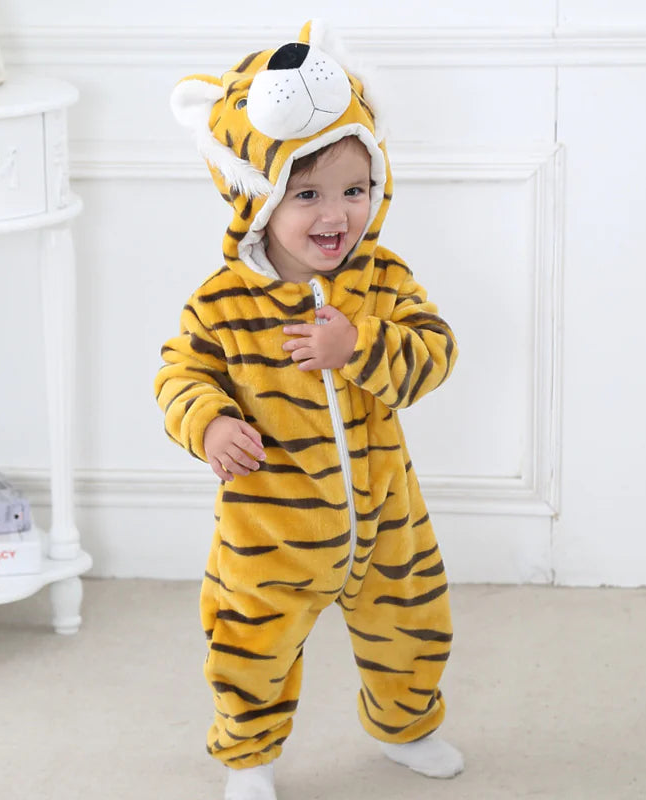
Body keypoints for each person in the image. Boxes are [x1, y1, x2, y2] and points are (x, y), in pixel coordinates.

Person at [155, 20, 463, 800]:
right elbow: (180, 374)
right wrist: (209, 423)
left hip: (387, 515)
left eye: (355, 190)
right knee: (250, 649)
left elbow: (435, 352)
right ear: (257, 197)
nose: (337, 215)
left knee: (414, 628)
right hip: (270, 532)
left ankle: (406, 726)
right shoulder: (222, 302)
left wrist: (359, 344)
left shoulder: (382, 279)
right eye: (308, 194)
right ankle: (249, 756)